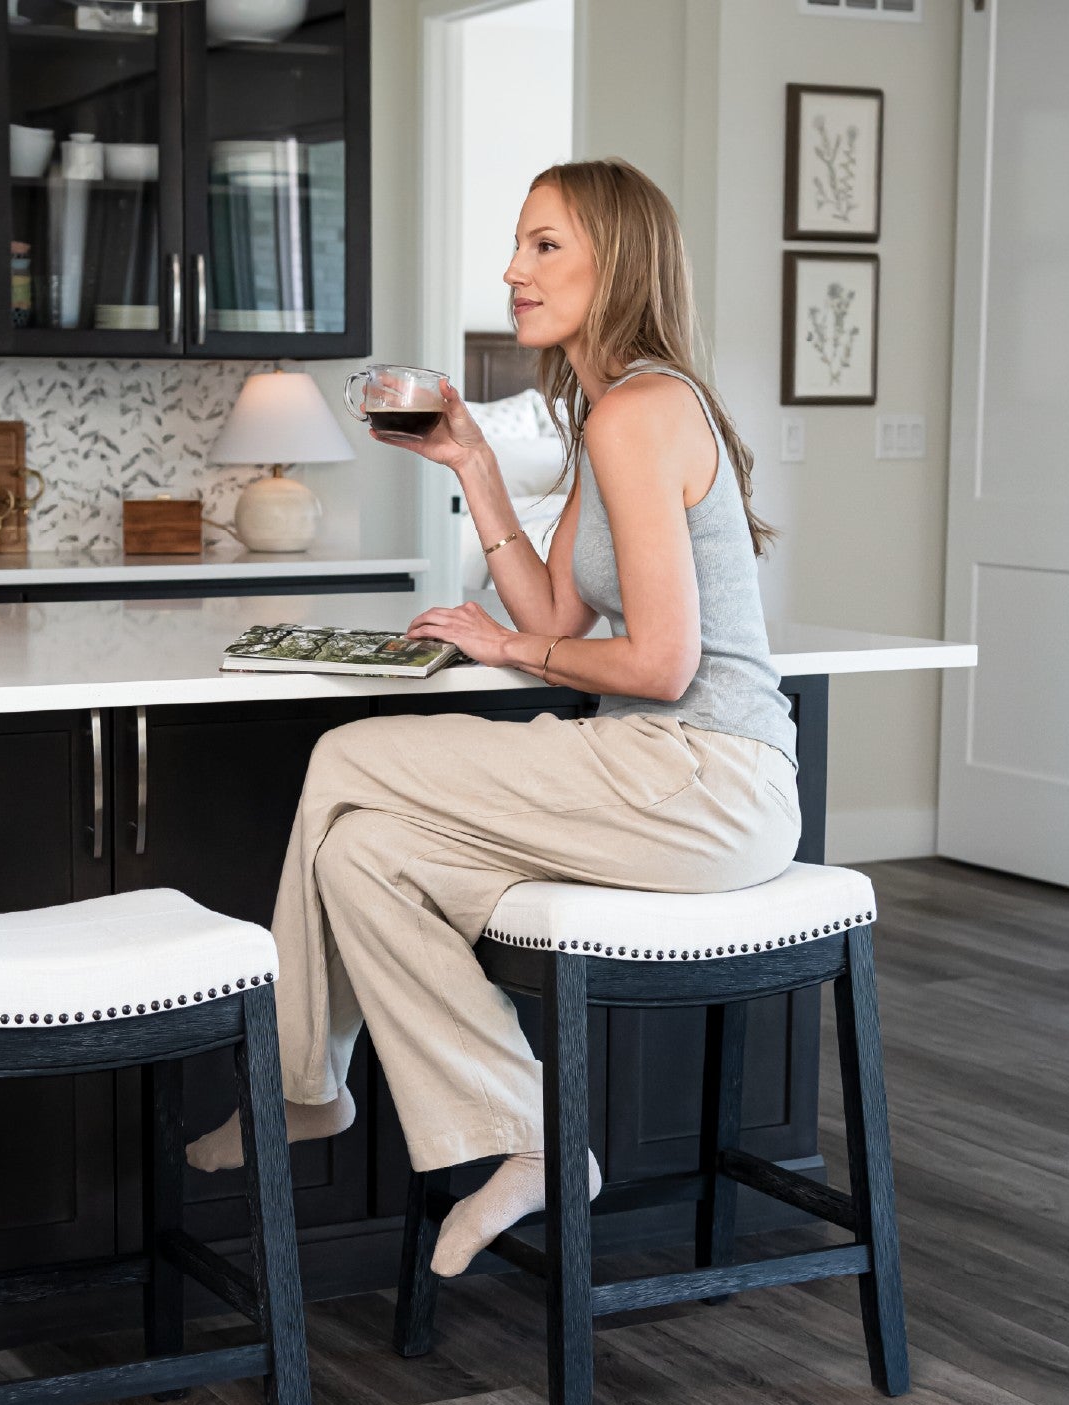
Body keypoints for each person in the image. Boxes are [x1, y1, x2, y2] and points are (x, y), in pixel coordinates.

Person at [186, 157, 801, 1277]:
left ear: (615, 261)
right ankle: (528, 1140)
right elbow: (563, 605)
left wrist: (514, 649)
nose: (513, 270)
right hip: (668, 776)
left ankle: (296, 1088)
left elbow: (661, 663)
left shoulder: (640, 410)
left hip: (705, 774)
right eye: (518, 245)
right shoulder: (613, 412)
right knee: (365, 851)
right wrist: (472, 461)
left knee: (345, 757)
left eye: (545, 245)